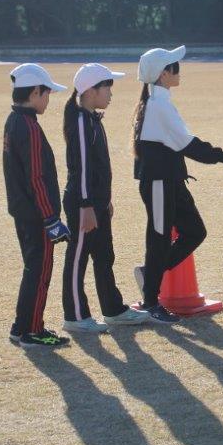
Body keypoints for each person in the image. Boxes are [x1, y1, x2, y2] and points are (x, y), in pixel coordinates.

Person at [132, 46, 223, 324]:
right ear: (163, 74)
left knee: (195, 231)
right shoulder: (158, 105)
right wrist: (222, 156)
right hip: (159, 182)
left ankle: (149, 275)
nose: (179, 71)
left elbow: (182, 143)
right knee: (159, 239)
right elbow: (188, 144)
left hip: (170, 182)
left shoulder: (159, 102)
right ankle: (150, 302)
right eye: (175, 67)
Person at [61, 63, 149, 334]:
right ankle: (75, 316)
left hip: (96, 203)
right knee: (78, 258)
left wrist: (104, 200)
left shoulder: (91, 119)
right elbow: (81, 167)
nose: (111, 93)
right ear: (90, 91)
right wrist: (86, 205)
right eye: (107, 87)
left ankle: (113, 310)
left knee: (104, 255)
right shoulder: (80, 121)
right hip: (83, 205)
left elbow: (97, 168)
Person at [3, 63, 71, 348]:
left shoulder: (13, 120)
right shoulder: (28, 127)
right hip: (36, 215)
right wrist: (50, 218)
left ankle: (21, 327)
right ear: (34, 93)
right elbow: (36, 177)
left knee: (32, 269)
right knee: (40, 271)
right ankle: (33, 330)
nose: (48, 99)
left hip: (24, 211)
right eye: (46, 94)